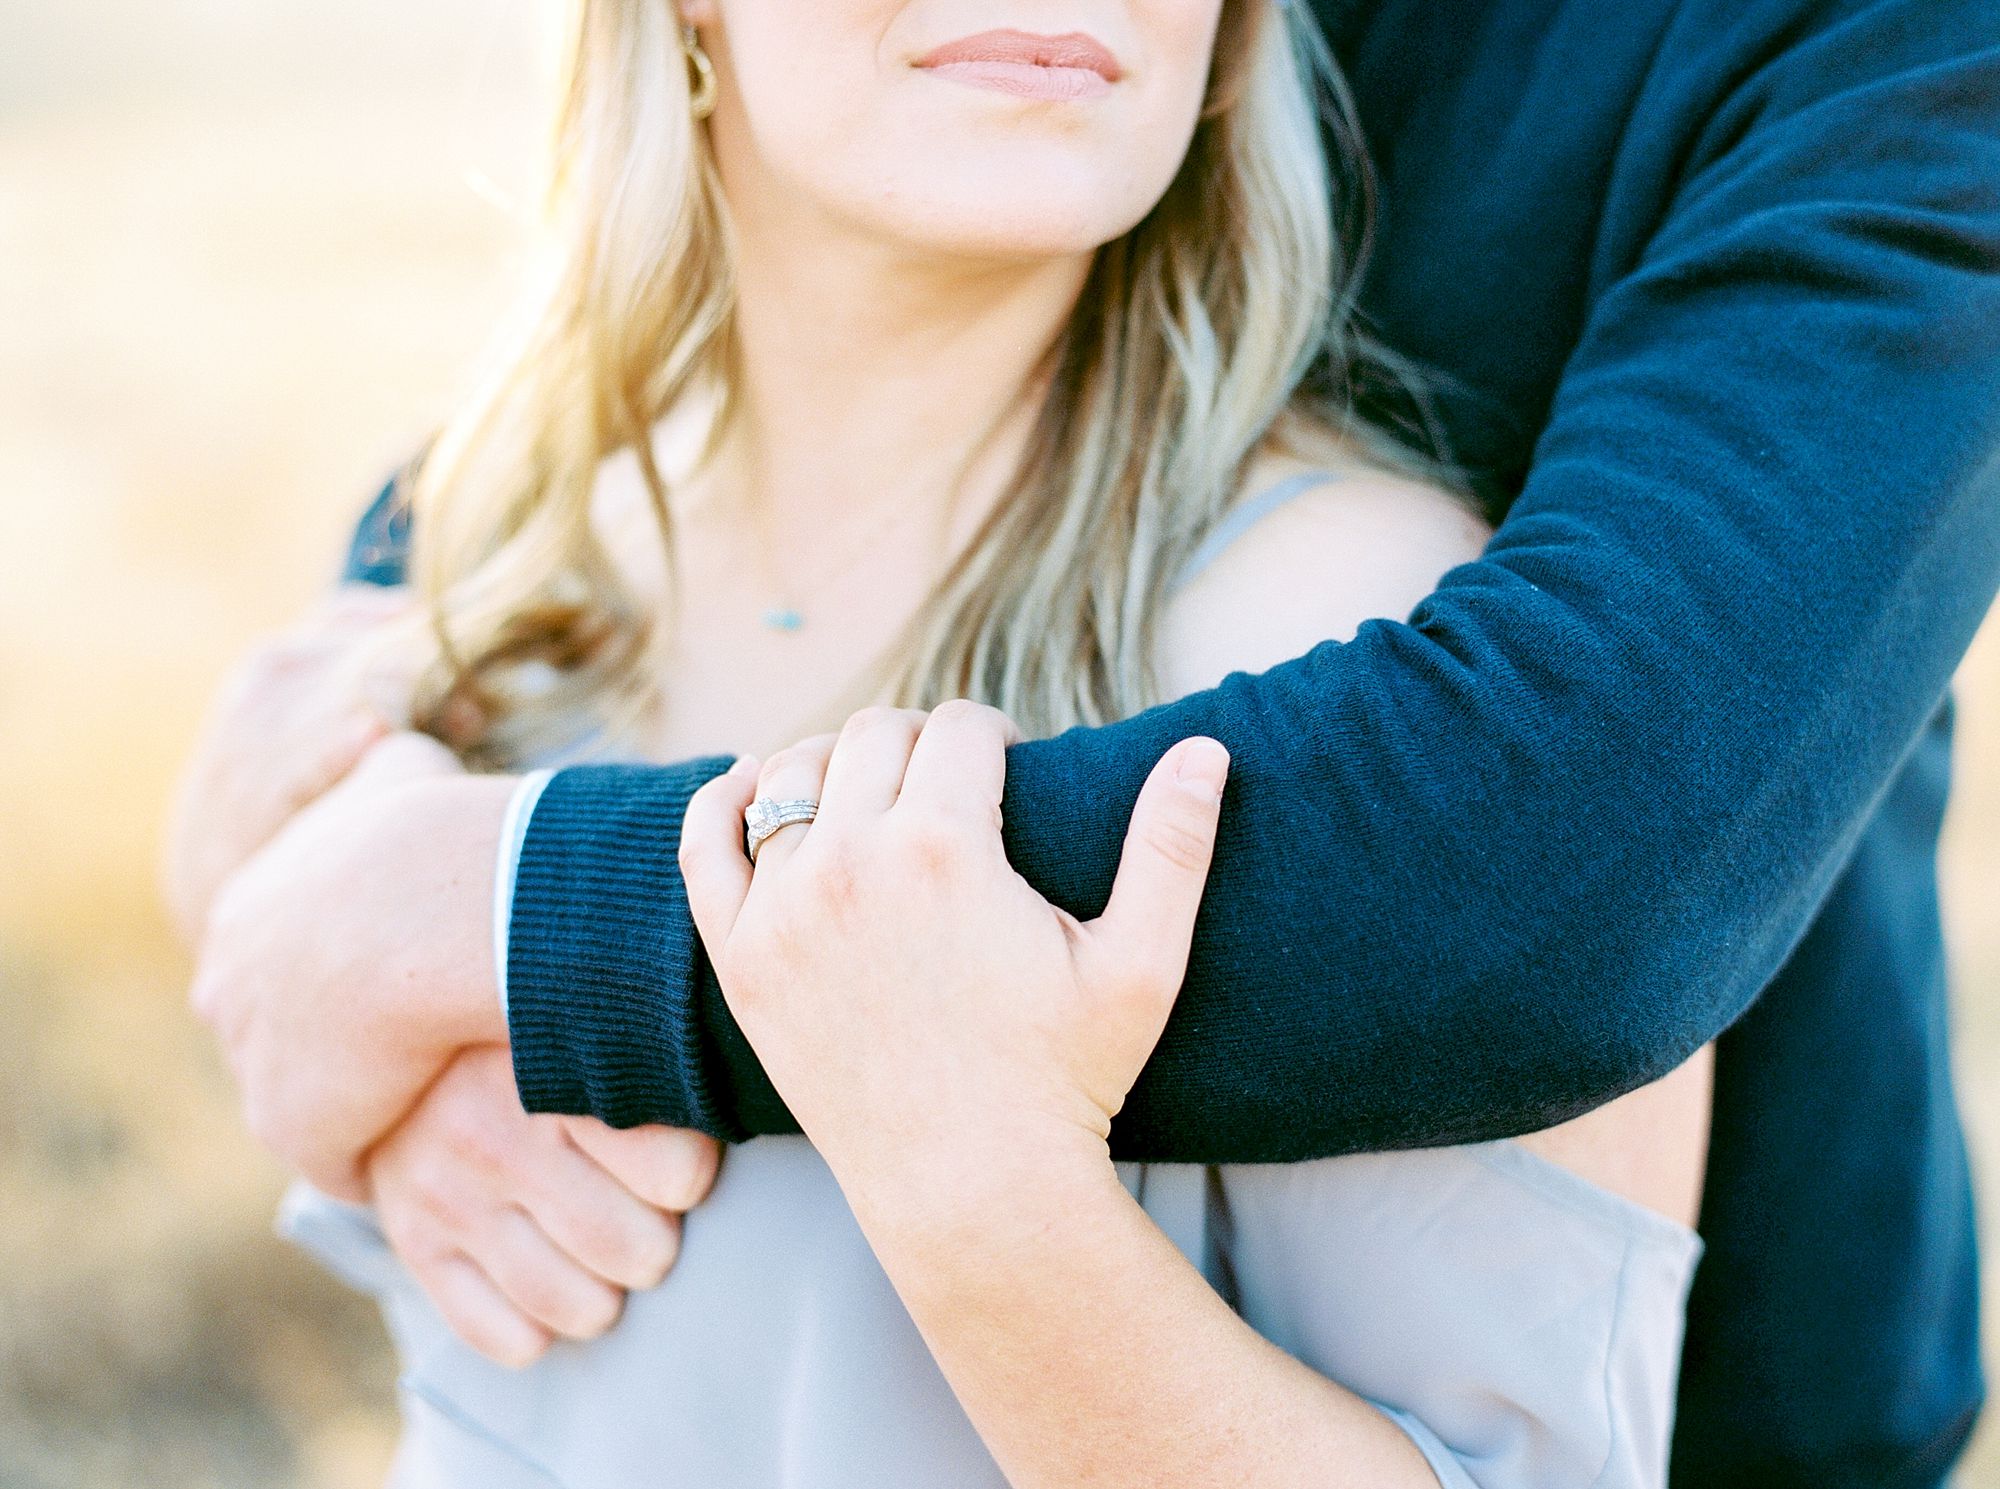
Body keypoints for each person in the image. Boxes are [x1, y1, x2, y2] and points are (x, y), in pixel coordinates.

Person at [172, 0, 2000, 1484]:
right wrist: (321, 927)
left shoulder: (1328, 621)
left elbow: (1570, 860)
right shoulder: (505, 569)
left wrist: (513, 926)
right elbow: (317, 908)